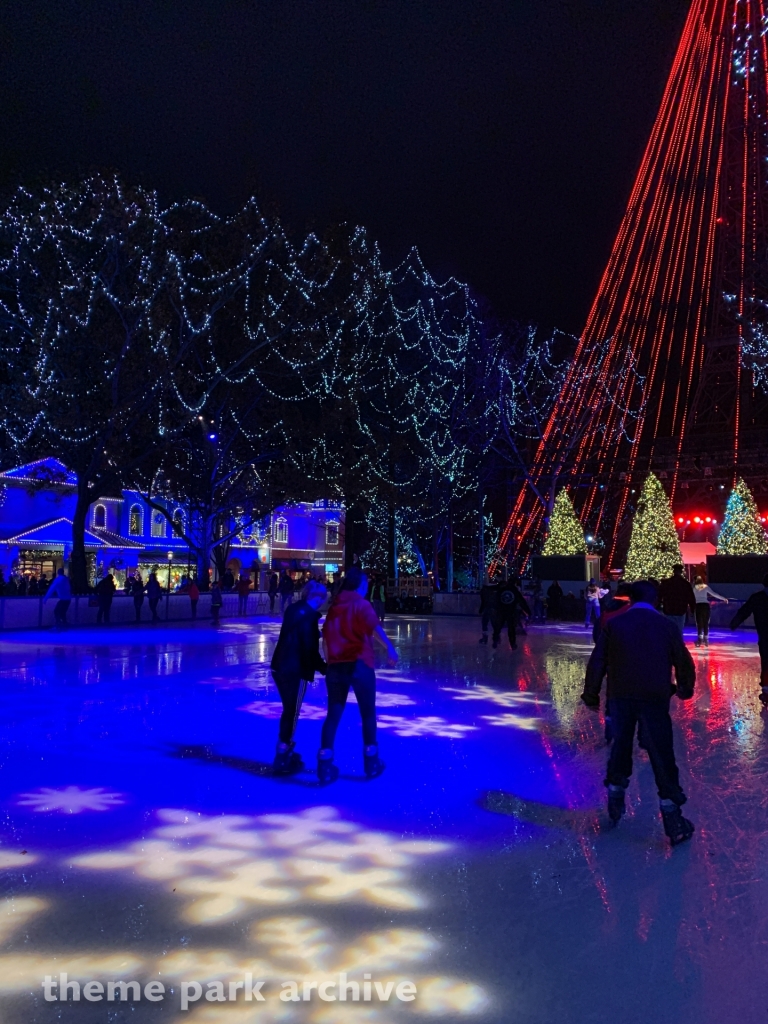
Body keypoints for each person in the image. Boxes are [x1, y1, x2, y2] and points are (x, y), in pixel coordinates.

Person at [581, 579, 696, 846]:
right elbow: (683, 659)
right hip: (654, 697)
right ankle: (672, 816)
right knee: (661, 753)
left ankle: (616, 793)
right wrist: (685, 688)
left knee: (620, 745)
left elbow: (598, 659)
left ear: (630, 599)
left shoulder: (616, 624)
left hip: (621, 696)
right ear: (656, 600)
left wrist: (592, 693)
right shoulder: (666, 625)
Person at [318, 565, 399, 783]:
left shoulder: (335, 606)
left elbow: (325, 637)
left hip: (336, 667)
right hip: (359, 665)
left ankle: (325, 764)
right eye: (366, 585)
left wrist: (328, 661)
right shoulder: (361, 604)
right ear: (361, 586)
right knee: (368, 713)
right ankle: (371, 762)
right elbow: (374, 628)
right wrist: (390, 648)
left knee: (333, 713)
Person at [270, 580, 327, 774]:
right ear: (315, 597)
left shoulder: (293, 609)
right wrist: (324, 668)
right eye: (323, 597)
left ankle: (284, 748)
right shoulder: (309, 617)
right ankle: (283, 751)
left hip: (279, 665)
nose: (324, 601)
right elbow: (309, 648)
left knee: (289, 710)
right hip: (295, 669)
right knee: (292, 711)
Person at [730, 573, 768, 704]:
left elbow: (744, 611)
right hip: (765, 636)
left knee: (766, 662)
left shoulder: (757, 598)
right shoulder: (757, 598)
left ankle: (766, 689)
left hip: (765, 635)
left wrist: (735, 623)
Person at [491, 578, 530, 650]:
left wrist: (495, 609)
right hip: (511, 612)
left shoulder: (502, 590)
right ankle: (513, 644)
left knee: (498, 627)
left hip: (501, 611)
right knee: (511, 628)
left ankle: (495, 640)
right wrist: (528, 611)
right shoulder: (515, 591)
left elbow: (496, 599)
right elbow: (522, 602)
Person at [658, 564, 696, 636]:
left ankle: (670, 645)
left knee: (669, 630)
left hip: (668, 609)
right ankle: (678, 645)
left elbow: (660, 594)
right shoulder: (685, 584)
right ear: (681, 572)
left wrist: (658, 605)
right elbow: (691, 597)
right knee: (679, 630)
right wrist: (692, 610)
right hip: (681, 610)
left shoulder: (667, 583)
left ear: (674, 571)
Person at [693, 576, 728, 647]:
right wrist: (723, 598)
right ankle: (706, 638)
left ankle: (700, 639)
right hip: (705, 606)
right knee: (706, 622)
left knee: (699, 622)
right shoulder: (705, 587)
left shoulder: (694, 588)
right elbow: (714, 594)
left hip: (698, 606)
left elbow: (690, 596)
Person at [478, 576, 500, 644]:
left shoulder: (484, 591)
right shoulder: (495, 590)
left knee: (485, 624)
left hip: (487, 609)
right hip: (494, 609)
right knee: (494, 624)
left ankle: (485, 638)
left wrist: (481, 610)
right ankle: (497, 638)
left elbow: (483, 601)